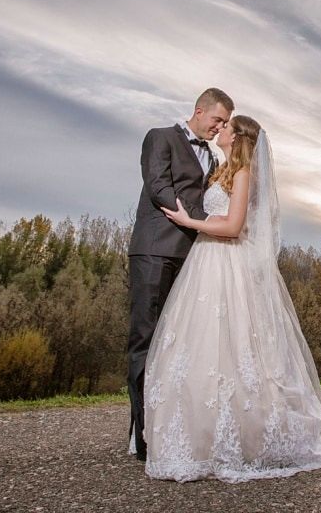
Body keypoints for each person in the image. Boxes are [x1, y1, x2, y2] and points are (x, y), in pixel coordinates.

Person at [142, 115, 321, 482]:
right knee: (202, 347)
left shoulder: (245, 173)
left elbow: (233, 227)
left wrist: (192, 223)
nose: (220, 129)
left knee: (236, 347)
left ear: (239, 138)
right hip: (206, 260)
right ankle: (201, 433)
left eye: (227, 126)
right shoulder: (221, 172)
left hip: (226, 260)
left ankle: (245, 435)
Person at [127, 88, 234, 462]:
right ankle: (141, 435)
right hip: (155, 250)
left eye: (224, 123)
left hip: (192, 258)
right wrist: (204, 222)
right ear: (199, 110)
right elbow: (159, 187)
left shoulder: (215, 156)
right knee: (146, 339)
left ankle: (168, 426)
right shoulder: (160, 137)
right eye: (217, 120)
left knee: (176, 344)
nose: (219, 127)